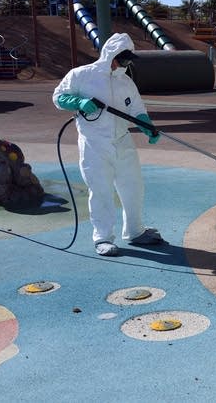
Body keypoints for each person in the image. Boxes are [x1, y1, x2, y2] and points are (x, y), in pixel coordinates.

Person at [52, 32, 164, 256]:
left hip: (123, 142)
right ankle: (102, 237)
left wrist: (146, 126)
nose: (126, 63)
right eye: (123, 59)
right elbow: (58, 97)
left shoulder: (126, 82)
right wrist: (80, 102)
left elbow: (137, 110)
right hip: (94, 144)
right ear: (111, 55)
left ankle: (135, 231)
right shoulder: (82, 75)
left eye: (128, 59)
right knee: (101, 191)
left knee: (134, 188)